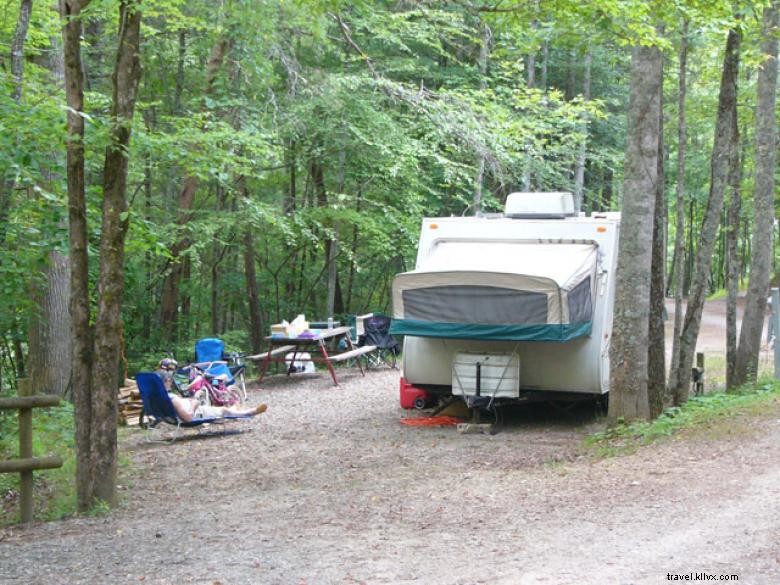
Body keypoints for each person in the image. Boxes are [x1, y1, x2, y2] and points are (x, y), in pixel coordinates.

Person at [168, 392, 267, 423]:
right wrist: (194, 403)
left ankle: (233, 408)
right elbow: (188, 418)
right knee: (223, 411)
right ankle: (251, 412)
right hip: (198, 413)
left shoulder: (161, 399)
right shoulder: (173, 399)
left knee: (222, 409)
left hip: (199, 411)